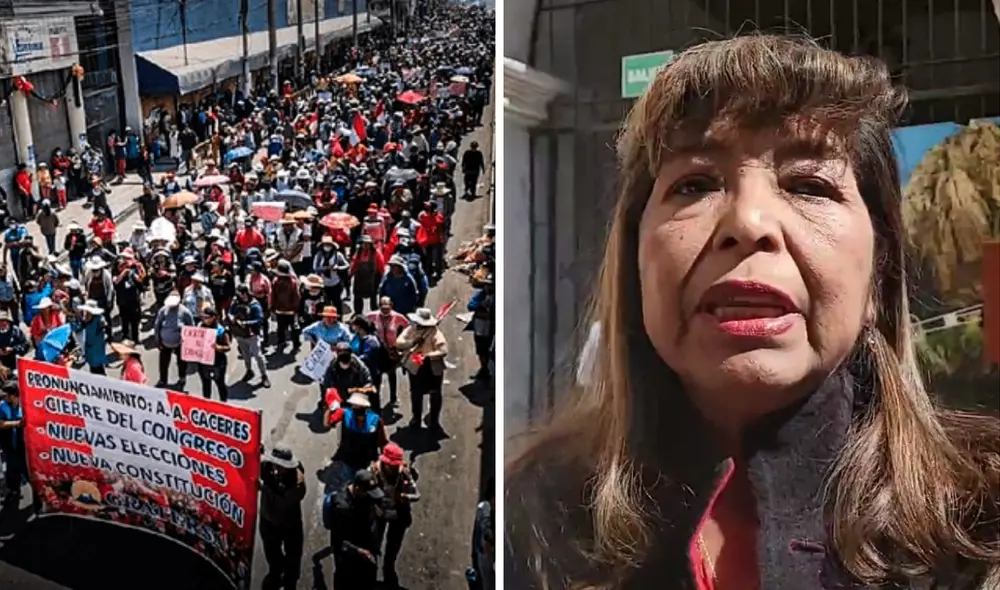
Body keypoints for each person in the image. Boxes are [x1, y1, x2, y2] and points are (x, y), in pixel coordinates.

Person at [504, 35, 1000, 590]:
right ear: (634, 259)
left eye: (809, 185)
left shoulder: (986, 519)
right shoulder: (527, 520)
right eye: (695, 184)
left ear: (878, 278)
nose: (749, 222)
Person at [370, 442, 420, 588]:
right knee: (374, 542)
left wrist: (404, 497)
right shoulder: (373, 471)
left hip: (398, 515)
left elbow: (417, 495)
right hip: (379, 514)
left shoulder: (404, 473)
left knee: (393, 545)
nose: (392, 468)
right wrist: (374, 506)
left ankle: (389, 565)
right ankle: (372, 565)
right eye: (390, 466)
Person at [325, 468, 384, 590]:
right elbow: (338, 541)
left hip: (367, 554)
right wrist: (359, 551)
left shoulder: (365, 496)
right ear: (357, 488)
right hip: (348, 560)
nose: (370, 496)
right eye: (367, 492)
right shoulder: (341, 507)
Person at [259, 445, 306, 590]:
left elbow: (283, 501)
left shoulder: (297, 482)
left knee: (293, 555)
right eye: (276, 465)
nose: (277, 469)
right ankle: (275, 573)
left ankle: (290, 581)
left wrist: (263, 488)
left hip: (289, 523)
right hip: (268, 520)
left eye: (281, 467)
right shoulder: (266, 466)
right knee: (272, 552)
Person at [395, 308, 448, 432]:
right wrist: (412, 342)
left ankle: (434, 421)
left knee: (435, 394)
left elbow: (443, 350)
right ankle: (416, 418)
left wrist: (428, 356)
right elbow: (399, 343)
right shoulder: (411, 329)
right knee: (415, 394)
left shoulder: (435, 333)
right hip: (415, 367)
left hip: (432, 368)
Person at [367, 297, 409, 410]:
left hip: (391, 351)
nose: (385, 311)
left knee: (392, 374)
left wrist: (401, 342)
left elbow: (409, 328)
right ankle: (376, 398)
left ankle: (393, 398)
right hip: (378, 351)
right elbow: (361, 322)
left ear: (391, 306)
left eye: (387, 308)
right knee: (377, 376)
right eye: (383, 308)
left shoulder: (398, 317)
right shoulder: (372, 316)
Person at [229, 285, 271, 388]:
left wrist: (246, 323)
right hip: (239, 334)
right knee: (245, 354)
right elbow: (230, 312)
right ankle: (249, 371)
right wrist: (232, 318)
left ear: (245, 293)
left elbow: (259, 320)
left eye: (240, 294)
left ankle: (264, 375)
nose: (239, 296)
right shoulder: (236, 303)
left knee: (258, 356)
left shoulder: (254, 305)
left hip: (252, 335)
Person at [153, 294, 195, 389]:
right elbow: (157, 325)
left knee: (182, 362)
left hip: (180, 343)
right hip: (165, 343)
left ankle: (182, 378)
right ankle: (163, 380)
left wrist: (188, 342)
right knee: (163, 363)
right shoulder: (163, 310)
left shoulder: (185, 312)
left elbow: (191, 327)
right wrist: (157, 340)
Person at [197, 307, 230, 401]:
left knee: (220, 384)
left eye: (206, 317)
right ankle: (207, 403)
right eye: (203, 317)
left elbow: (227, 347)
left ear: (213, 317)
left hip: (218, 362)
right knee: (206, 384)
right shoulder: (200, 326)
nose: (204, 320)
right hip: (204, 361)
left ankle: (223, 403)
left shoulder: (221, 330)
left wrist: (218, 347)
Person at [0, 384, 26, 501]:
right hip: (9, 444)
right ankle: (14, 490)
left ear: (13, 396)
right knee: (12, 467)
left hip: (23, 444)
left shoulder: (25, 405)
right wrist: (17, 424)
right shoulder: (2, 406)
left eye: (6, 395)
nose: (4, 397)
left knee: (27, 468)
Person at [466, 274, 494, 380]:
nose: (488, 287)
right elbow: (470, 305)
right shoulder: (481, 294)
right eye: (487, 285)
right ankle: (483, 368)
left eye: (491, 285)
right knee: (481, 350)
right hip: (480, 327)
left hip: (491, 328)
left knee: (490, 350)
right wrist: (480, 306)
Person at [75, 299, 107, 374]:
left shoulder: (98, 320)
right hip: (92, 350)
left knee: (98, 371)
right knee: (95, 369)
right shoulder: (89, 319)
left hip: (96, 350)